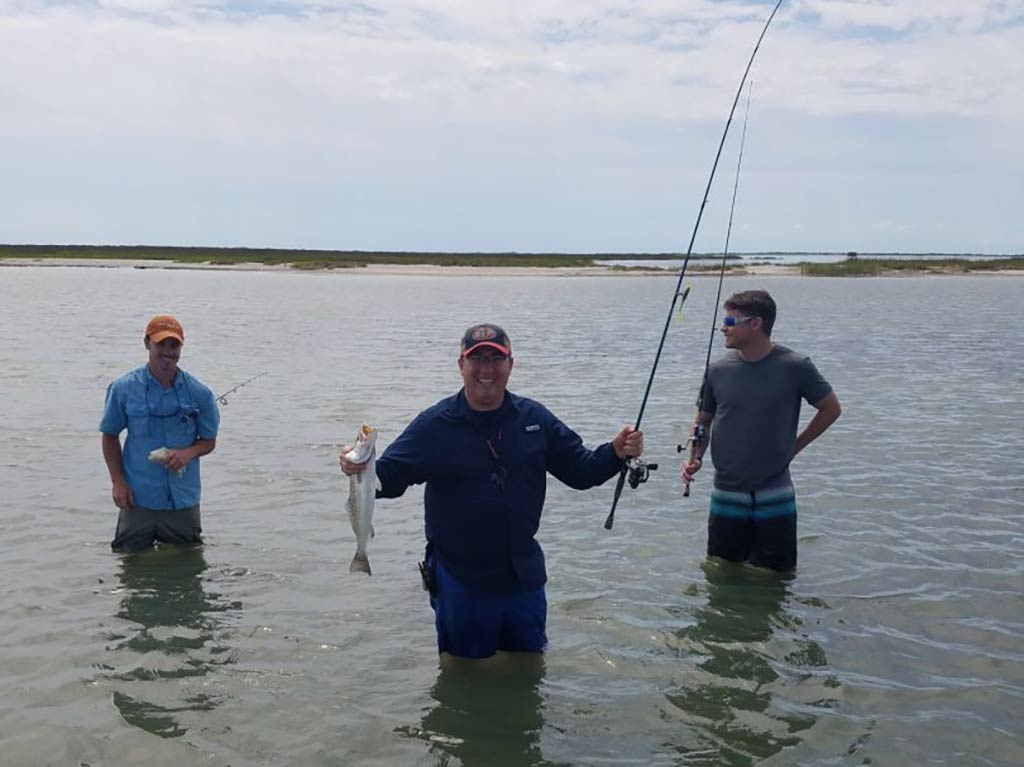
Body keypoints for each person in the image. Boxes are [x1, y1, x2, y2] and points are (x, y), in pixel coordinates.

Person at [340, 323, 644, 660]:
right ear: (461, 366)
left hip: (523, 578)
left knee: (528, 669)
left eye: (495, 359)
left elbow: (581, 470)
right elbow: (391, 478)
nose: (486, 369)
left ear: (510, 365)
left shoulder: (535, 419)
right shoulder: (435, 425)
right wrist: (361, 469)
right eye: (477, 359)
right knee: (462, 676)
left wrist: (616, 452)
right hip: (461, 581)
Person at [680, 290, 841, 571]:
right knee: (722, 572)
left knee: (776, 577)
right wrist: (695, 456)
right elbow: (703, 420)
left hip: (774, 492)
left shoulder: (796, 366)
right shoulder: (717, 370)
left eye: (730, 320)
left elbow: (831, 409)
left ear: (756, 323)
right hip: (726, 493)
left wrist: (794, 447)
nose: (723, 327)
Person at [100, 315, 220, 553]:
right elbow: (109, 435)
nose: (168, 352)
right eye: (161, 344)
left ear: (181, 347)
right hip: (137, 499)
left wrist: (188, 453)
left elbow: (209, 441)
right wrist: (117, 482)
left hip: (182, 501)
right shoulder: (122, 388)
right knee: (129, 568)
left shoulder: (200, 393)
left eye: (174, 345)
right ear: (147, 343)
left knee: (186, 569)